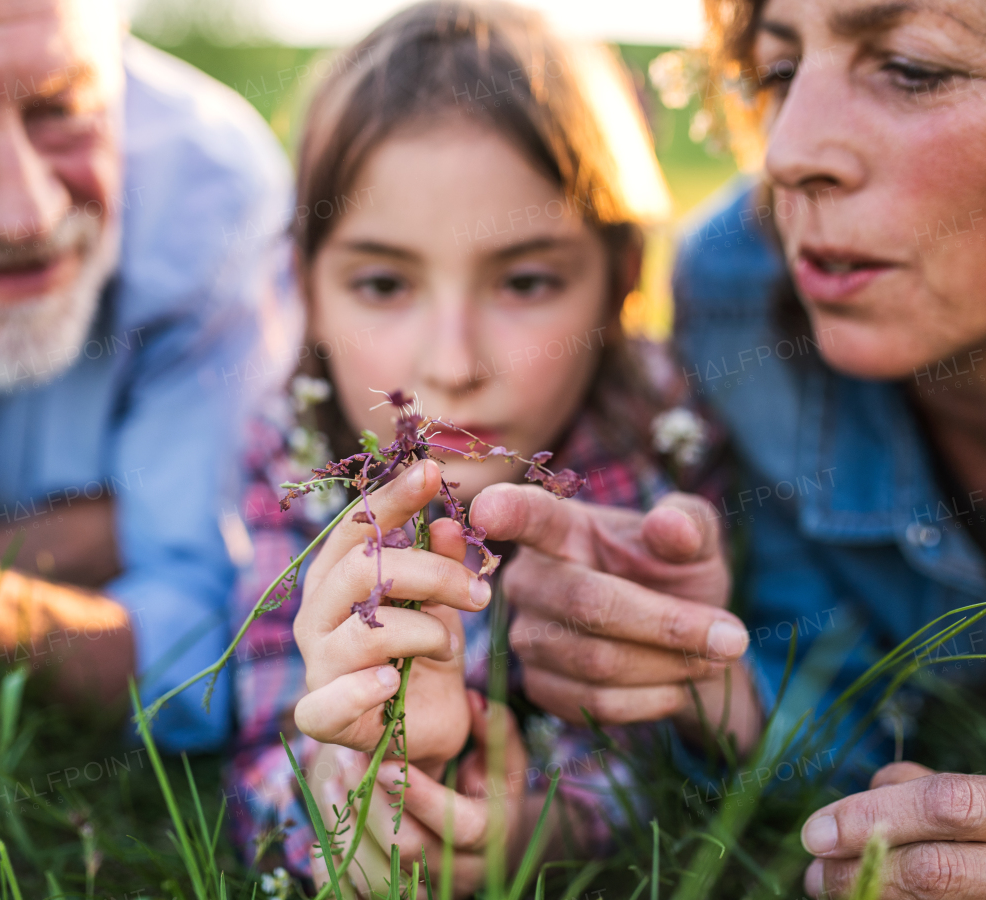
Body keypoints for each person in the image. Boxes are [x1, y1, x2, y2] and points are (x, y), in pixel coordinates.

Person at [222, 3, 759, 894]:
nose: (454, 364)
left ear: (622, 278)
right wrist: (346, 799)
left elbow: (655, 744)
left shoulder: (658, 434)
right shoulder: (296, 457)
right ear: (305, 287)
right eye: (385, 283)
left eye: (525, 281)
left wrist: (542, 829)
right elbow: (265, 746)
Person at [671, 0, 986, 896]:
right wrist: (701, 677)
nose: (787, 153)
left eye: (911, 67)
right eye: (780, 71)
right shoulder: (742, 301)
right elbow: (836, 729)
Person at [0, 0, 294, 750]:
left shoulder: (207, 192)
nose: (25, 216)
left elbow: (226, 631)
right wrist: (87, 541)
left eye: (62, 107)